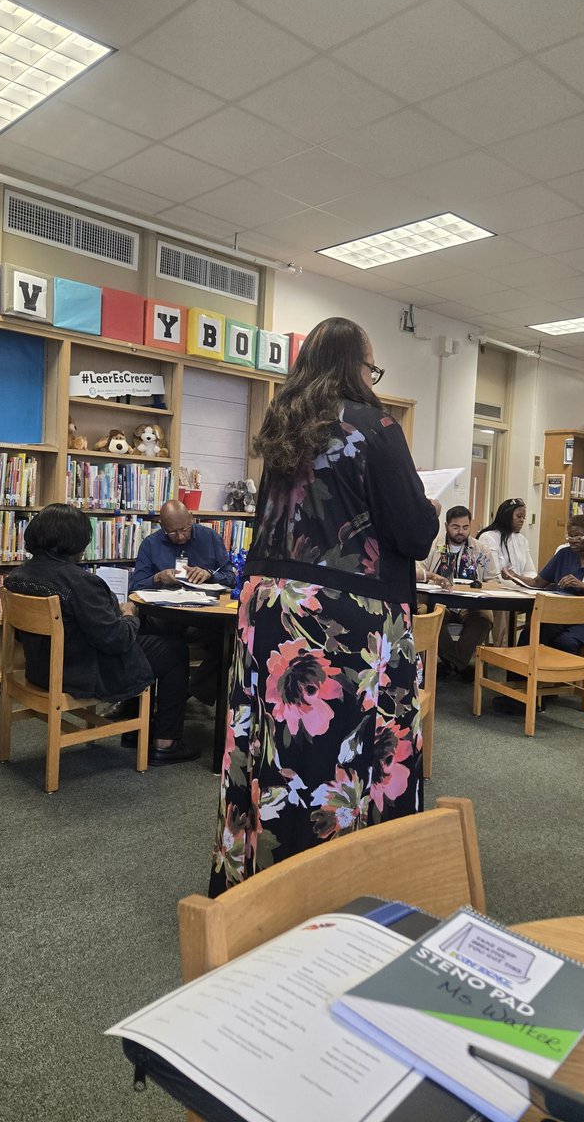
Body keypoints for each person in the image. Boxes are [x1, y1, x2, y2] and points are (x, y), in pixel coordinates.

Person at [209, 316, 440, 896]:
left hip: (267, 606)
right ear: (353, 366)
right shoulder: (375, 426)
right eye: (371, 367)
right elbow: (413, 533)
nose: (371, 377)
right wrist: (430, 509)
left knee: (268, 742)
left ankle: (255, 886)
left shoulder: (284, 425)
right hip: (344, 611)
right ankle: (338, 892)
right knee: (346, 751)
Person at [5, 503, 199, 764]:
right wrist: (129, 615)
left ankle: (136, 731)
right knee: (173, 650)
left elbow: (21, 634)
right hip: (81, 673)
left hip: (40, 669)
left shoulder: (18, 576)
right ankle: (166, 743)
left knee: (151, 645)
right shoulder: (80, 582)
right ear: (74, 541)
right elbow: (116, 639)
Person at [130, 500, 236, 703]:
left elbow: (231, 577)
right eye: (172, 533)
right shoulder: (150, 544)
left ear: (191, 519)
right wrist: (158, 578)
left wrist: (210, 574)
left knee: (229, 638)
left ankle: (193, 690)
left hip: (203, 616)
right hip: (165, 616)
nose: (180, 536)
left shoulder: (210, 537)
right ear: (162, 526)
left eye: (184, 530)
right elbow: (135, 587)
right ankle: (133, 701)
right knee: (140, 630)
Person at [504, 514, 584, 652]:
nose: (573, 540)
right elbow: (537, 582)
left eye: (578, 536)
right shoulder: (564, 554)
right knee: (530, 634)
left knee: (565, 642)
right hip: (562, 617)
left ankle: (568, 667)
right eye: (570, 536)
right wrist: (514, 576)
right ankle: (523, 666)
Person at [419, 505, 499, 679]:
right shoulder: (432, 545)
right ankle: (459, 665)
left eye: (465, 527)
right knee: (427, 615)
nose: (461, 532)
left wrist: (481, 587)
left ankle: (452, 663)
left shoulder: (481, 549)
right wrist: (432, 578)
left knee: (484, 618)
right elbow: (419, 570)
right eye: (455, 527)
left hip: (471, 605)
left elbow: (494, 580)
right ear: (446, 526)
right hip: (439, 603)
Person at [476, 498, 536, 580]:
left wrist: (530, 582)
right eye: (519, 516)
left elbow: (530, 571)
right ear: (506, 516)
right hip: (498, 586)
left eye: (524, 517)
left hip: (520, 586)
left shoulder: (522, 540)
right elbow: (493, 575)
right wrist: (518, 580)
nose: (522, 520)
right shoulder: (488, 537)